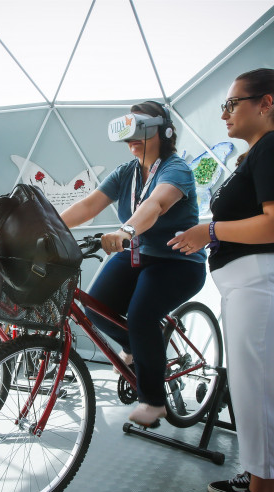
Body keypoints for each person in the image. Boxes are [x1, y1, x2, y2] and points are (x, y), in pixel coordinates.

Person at [168, 68, 274, 492]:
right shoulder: (262, 152)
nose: (225, 114)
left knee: (260, 394)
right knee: (251, 390)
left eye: (233, 104)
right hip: (254, 286)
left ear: (266, 103)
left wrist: (209, 231)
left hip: (267, 285)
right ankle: (258, 478)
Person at [61, 100, 206, 426]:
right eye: (128, 133)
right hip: (139, 253)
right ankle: (137, 345)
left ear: (163, 132)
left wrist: (125, 230)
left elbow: (155, 204)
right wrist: (48, 225)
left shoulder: (175, 169)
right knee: (94, 307)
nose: (132, 140)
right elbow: (88, 206)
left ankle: (154, 401)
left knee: (141, 315)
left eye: (140, 131)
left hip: (178, 261)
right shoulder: (126, 172)